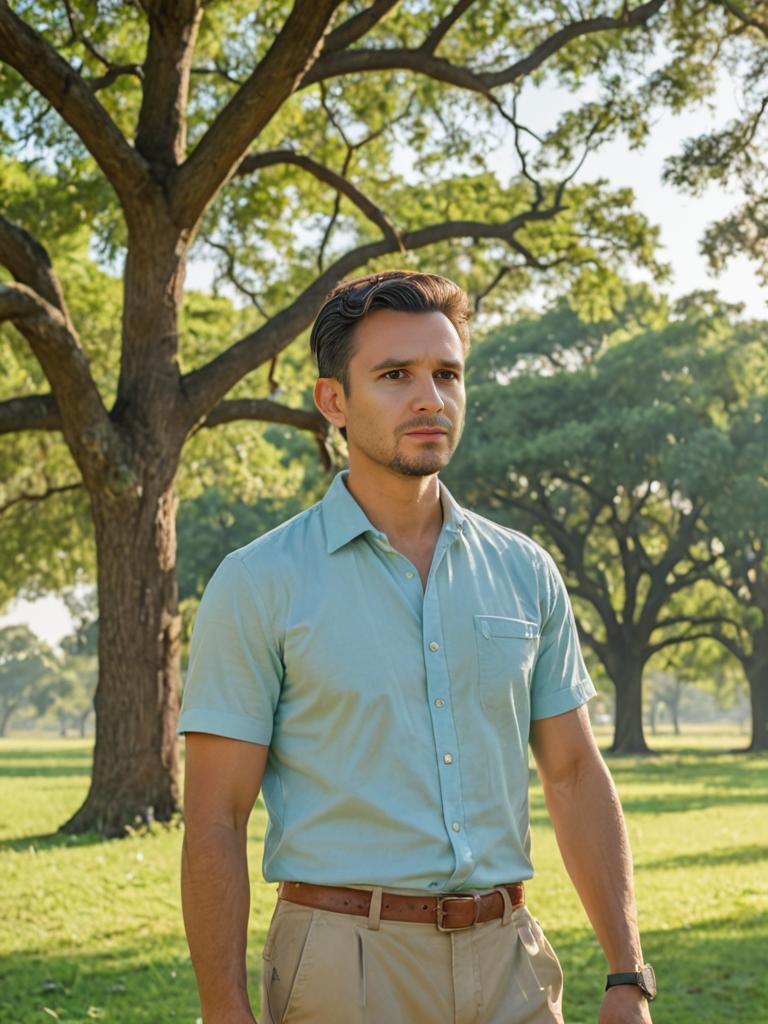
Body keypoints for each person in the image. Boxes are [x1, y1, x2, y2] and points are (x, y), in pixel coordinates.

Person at [178, 270, 655, 1024]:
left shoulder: (524, 570)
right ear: (333, 401)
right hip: (344, 969)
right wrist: (222, 1009)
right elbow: (215, 816)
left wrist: (628, 974)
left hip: (513, 966)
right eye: (395, 375)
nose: (430, 397)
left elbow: (572, 774)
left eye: (447, 373)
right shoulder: (258, 582)